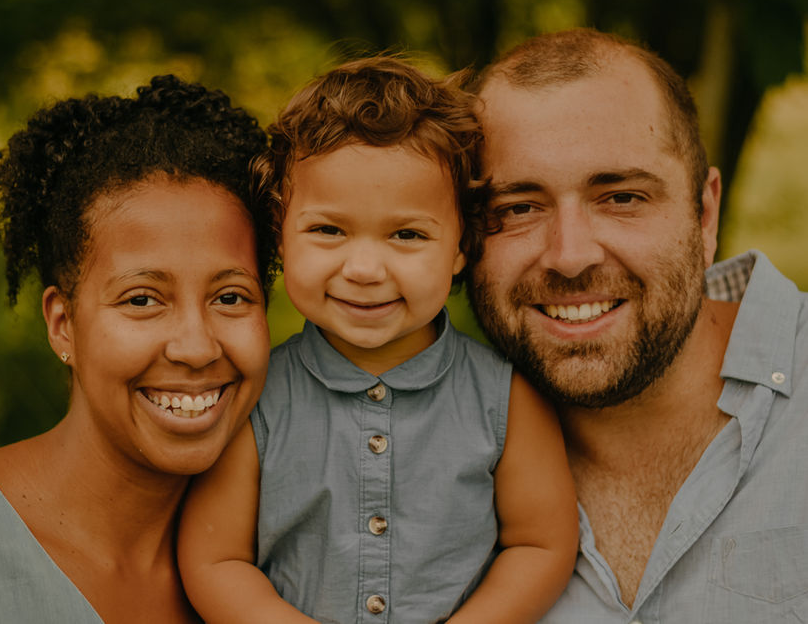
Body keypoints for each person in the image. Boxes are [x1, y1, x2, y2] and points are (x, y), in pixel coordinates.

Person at [0, 75, 278, 622]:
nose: (196, 347)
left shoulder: (291, 554)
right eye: (141, 300)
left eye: (231, 296)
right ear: (63, 324)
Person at [178, 56, 578, 624]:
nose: (364, 268)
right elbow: (214, 561)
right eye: (328, 230)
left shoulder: (504, 399)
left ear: (462, 245)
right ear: (280, 236)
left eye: (407, 234)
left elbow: (541, 545)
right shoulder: (254, 399)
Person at [468, 27, 808, 622]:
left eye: (621, 197)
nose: (569, 255)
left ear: (705, 215)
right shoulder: (420, 453)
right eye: (518, 208)